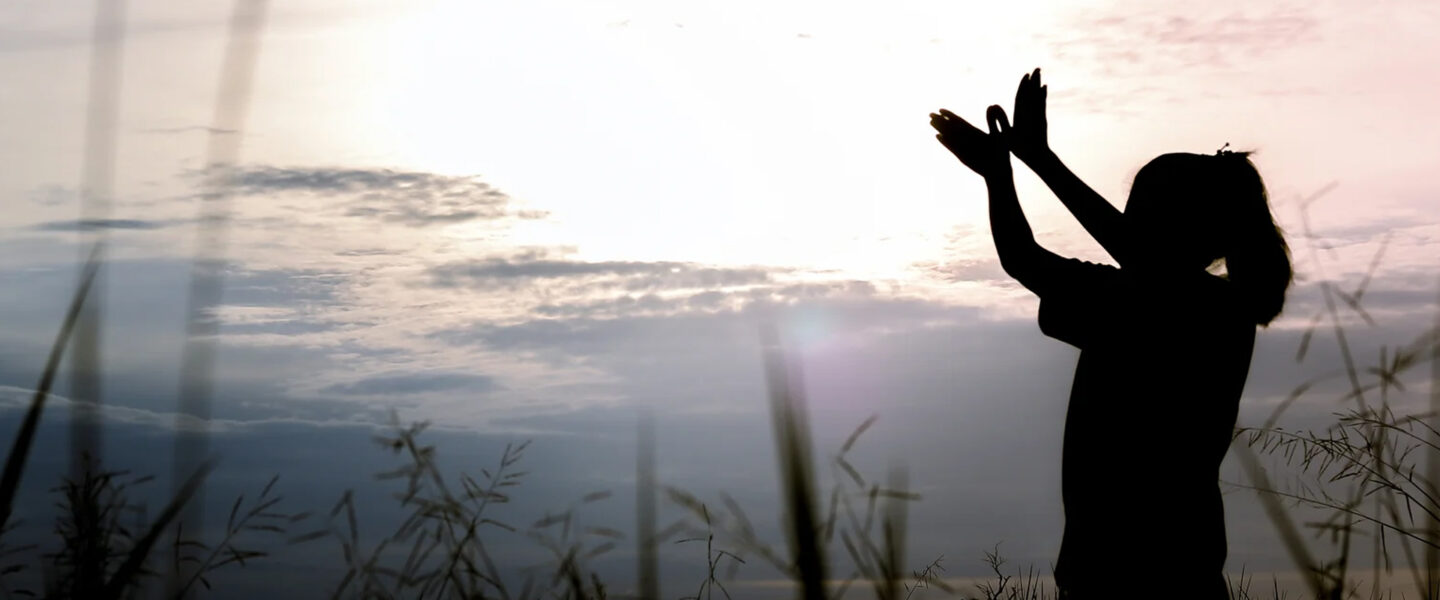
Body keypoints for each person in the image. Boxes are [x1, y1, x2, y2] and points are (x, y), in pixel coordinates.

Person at [929, 69, 1292, 598]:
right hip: (1118, 569)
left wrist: (1035, 162)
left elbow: (1119, 257)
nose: (1127, 216)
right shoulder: (1139, 296)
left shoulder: (1212, 309)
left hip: (1157, 573)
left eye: (1141, 208)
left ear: (1182, 225)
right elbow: (1024, 259)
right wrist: (999, 175)